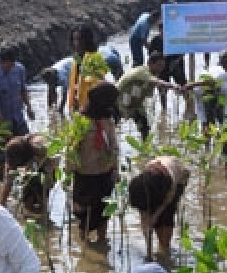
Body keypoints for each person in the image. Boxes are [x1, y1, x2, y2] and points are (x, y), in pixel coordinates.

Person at [72, 83, 120, 241]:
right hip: (85, 174)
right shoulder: (81, 121)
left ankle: (101, 242)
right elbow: (72, 147)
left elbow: (114, 147)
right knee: (84, 214)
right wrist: (69, 170)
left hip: (104, 173)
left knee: (103, 212)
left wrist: (116, 169)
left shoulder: (108, 120)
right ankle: (84, 247)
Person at [128, 154, 190, 255]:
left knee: (166, 217)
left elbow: (167, 201)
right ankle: (156, 247)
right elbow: (143, 212)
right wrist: (148, 247)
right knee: (152, 219)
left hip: (178, 179)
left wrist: (156, 215)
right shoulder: (142, 184)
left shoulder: (170, 179)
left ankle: (165, 247)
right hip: (154, 186)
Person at [116, 53, 178, 140]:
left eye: (163, 66)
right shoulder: (142, 71)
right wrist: (174, 86)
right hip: (118, 101)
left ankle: (145, 150)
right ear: (150, 63)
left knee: (145, 128)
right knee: (112, 127)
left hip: (134, 103)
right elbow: (157, 82)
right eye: (159, 65)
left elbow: (149, 90)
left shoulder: (153, 74)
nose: (161, 69)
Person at [0, 46, 34, 144]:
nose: (10, 68)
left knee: (28, 147)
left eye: (12, 65)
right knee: (2, 153)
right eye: (8, 66)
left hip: (18, 118)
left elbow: (23, 90)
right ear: (0, 62)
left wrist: (29, 108)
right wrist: (5, 130)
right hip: (0, 121)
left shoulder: (19, 69)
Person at [0, 133, 53, 215]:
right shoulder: (11, 150)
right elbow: (8, 181)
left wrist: (44, 172)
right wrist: (1, 205)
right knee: (28, 204)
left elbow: (52, 161)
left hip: (46, 163)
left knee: (42, 198)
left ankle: (45, 216)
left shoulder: (38, 146)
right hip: (31, 164)